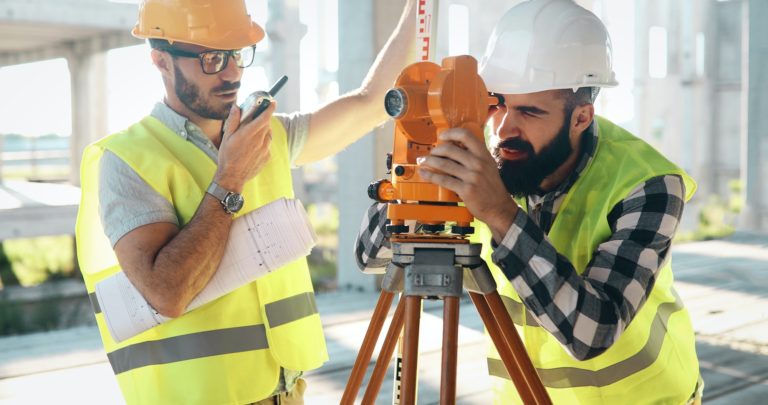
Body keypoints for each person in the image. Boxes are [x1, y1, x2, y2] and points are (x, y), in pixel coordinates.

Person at [355, 0, 703, 403]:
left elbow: (593, 332)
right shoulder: (489, 157)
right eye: (498, 102)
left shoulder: (648, 184)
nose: (504, 127)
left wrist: (501, 213)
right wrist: (419, 169)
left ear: (582, 117)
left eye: (530, 111)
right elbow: (369, 257)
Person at [75, 0, 416, 403]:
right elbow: (166, 292)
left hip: (286, 393)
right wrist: (229, 178)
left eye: (237, 55)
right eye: (213, 59)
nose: (233, 72)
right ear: (161, 61)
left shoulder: (267, 135)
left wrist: (421, 8)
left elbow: (371, 101)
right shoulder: (127, 160)